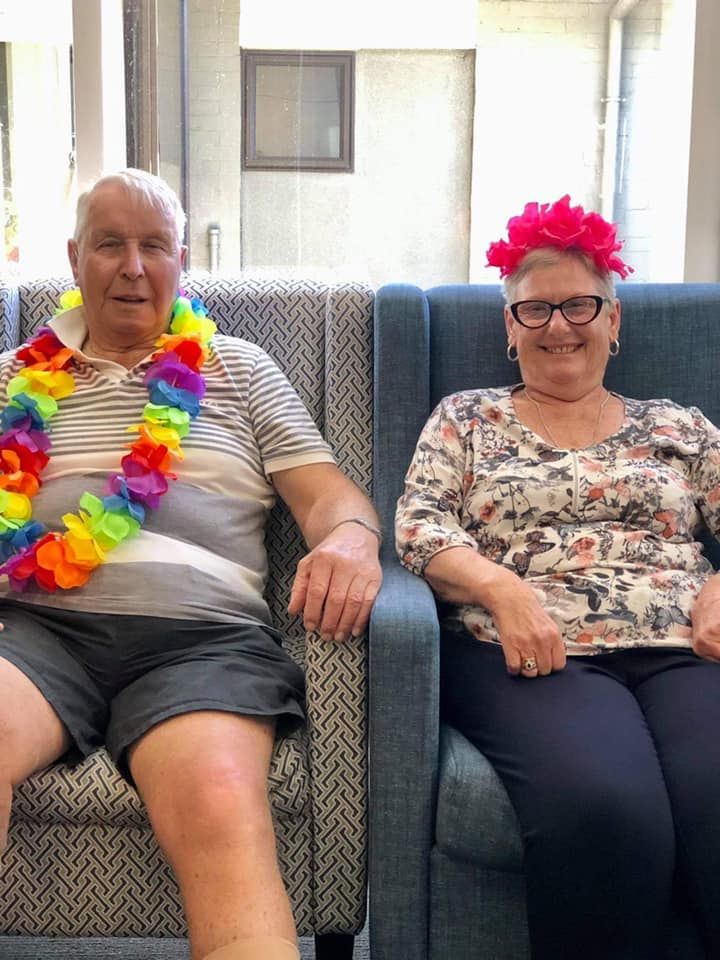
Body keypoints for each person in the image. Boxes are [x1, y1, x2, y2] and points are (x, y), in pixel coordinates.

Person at [0, 168, 382, 960]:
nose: (133, 267)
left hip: (201, 642)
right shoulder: (13, 376)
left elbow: (326, 497)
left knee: (218, 804)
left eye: (154, 247)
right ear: (76, 258)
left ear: (182, 263)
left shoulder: (239, 369)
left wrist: (350, 539)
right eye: (110, 244)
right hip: (34, 631)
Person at [395, 195, 720, 960]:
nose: (559, 326)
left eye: (581, 304)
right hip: (533, 653)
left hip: (685, 647)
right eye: (535, 309)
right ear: (510, 328)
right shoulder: (465, 418)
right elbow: (419, 526)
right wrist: (504, 591)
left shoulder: (679, 426)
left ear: (614, 320)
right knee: (607, 809)